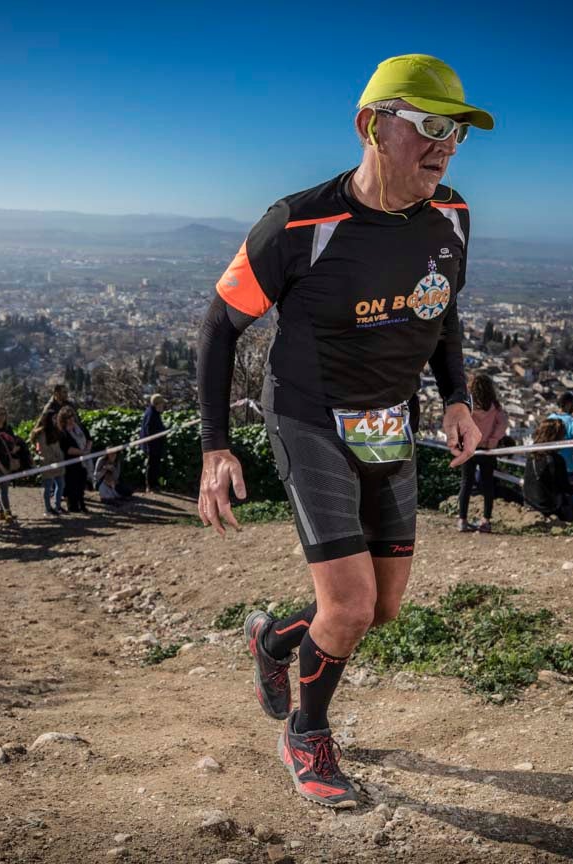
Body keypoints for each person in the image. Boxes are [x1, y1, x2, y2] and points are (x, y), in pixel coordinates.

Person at [196, 54, 492, 808]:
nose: (445, 145)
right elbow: (218, 328)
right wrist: (214, 447)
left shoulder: (453, 214)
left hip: (391, 420)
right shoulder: (299, 222)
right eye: (427, 126)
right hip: (308, 416)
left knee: (380, 608)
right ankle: (308, 733)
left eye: (455, 131)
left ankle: (272, 638)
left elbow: (442, 305)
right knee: (353, 606)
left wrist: (456, 396)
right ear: (371, 126)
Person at [457, 373, 508, 533]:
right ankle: (485, 520)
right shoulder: (495, 407)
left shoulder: (467, 405)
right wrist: (492, 441)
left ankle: (462, 520)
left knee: (466, 483)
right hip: (487, 449)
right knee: (488, 485)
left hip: (469, 448)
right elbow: (503, 423)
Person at [523, 419, 573, 521]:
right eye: (562, 436)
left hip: (530, 504)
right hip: (549, 508)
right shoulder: (556, 460)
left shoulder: (531, 456)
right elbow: (564, 488)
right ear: (556, 438)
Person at [31, 409, 66, 515]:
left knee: (61, 484)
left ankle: (58, 505)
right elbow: (43, 450)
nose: (56, 420)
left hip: (58, 462)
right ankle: (48, 508)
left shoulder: (56, 430)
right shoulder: (41, 433)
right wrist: (52, 460)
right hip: (47, 463)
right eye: (54, 418)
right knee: (48, 486)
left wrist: (60, 458)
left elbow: (57, 447)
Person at [57, 407, 92, 513]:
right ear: (63, 419)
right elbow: (67, 449)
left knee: (81, 484)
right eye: (68, 418)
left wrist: (87, 449)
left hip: (83, 462)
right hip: (71, 463)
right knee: (72, 485)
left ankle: (82, 504)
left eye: (72, 416)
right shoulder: (62, 432)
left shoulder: (80, 427)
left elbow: (89, 439)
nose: (71, 419)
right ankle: (72, 506)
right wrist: (82, 452)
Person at [140, 394, 168, 493]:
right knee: (151, 465)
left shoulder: (154, 413)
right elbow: (149, 431)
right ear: (157, 404)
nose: (163, 406)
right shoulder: (151, 414)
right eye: (162, 404)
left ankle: (154, 484)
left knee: (155, 465)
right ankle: (150, 486)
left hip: (156, 445)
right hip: (151, 445)